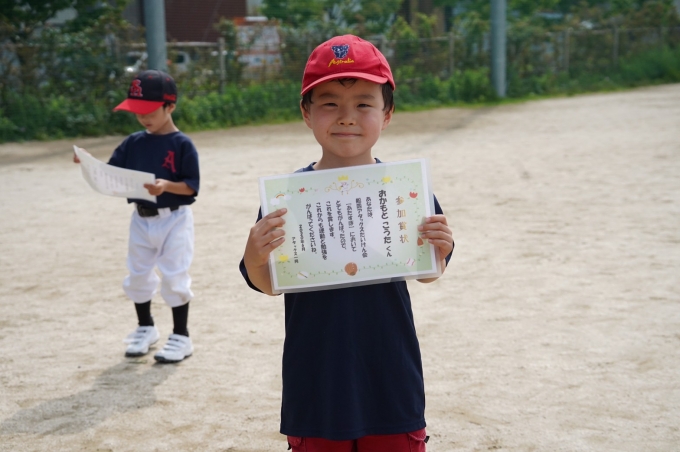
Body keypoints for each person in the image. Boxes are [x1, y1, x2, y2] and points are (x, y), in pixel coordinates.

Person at [239, 35, 454, 451]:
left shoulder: (405, 189)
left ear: (387, 114)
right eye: (330, 103)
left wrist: (440, 249)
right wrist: (254, 255)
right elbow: (269, 284)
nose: (346, 117)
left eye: (363, 104)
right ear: (306, 113)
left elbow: (429, 272)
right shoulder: (287, 198)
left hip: (390, 376)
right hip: (316, 380)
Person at [74, 70, 199, 363]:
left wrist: (166, 185)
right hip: (141, 219)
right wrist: (89, 163)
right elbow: (112, 172)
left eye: (149, 111)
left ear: (170, 106)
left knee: (174, 276)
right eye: (137, 112)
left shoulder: (182, 144)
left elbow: (192, 187)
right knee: (138, 273)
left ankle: (181, 336)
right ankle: (146, 327)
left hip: (174, 220)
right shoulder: (133, 142)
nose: (143, 118)